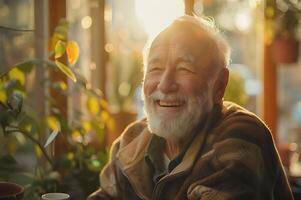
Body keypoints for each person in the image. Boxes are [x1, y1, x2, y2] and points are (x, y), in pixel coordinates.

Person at [88, 15, 293, 200]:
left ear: (219, 85)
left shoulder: (241, 133)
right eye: (155, 69)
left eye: (184, 68)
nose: (165, 84)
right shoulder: (131, 141)